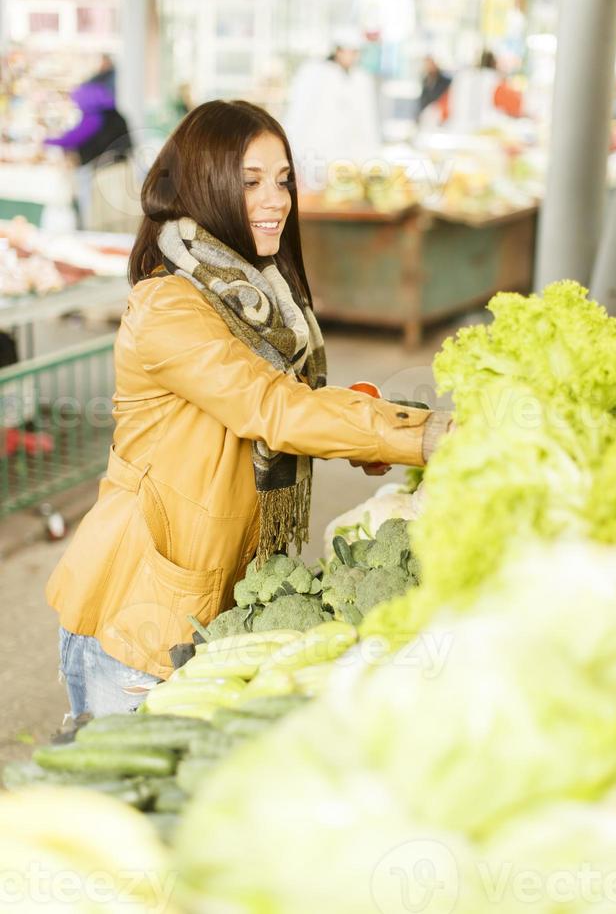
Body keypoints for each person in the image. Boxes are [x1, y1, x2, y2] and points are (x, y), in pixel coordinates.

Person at [46, 100, 448, 719]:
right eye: (251, 182)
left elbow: (283, 397)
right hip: (142, 620)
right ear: (206, 188)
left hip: (219, 602)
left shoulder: (251, 293)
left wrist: (363, 419)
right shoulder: (171, 307)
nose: (277, 200)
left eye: (284, 179)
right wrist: (422, 436)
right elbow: (271, 406)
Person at [284, 29, 380, 188]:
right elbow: (301, 113)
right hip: (317, 150)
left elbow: (367, 121)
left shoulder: (361, 79)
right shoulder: (315, 74)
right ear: (337, 51)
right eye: (347, 51)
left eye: (355, 52)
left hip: (349, 156)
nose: (351, 56)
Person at [44, 74, 131, 228]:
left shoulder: (96, 117)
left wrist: (46, 140)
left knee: (97, 218)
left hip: (105, 174)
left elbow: (72, 138)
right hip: (121, 171)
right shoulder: (115, 115)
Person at [417, 55, 452, 119]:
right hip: (428, 114)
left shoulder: (445, 81)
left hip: (440, 113)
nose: (429, 67)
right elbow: (423, 100)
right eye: (427, 65)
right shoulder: (425, 80)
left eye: (431, 64)